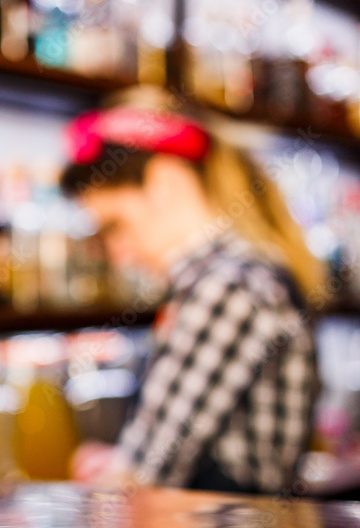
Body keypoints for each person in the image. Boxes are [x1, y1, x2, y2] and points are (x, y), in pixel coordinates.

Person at [61, 89, 323, 495]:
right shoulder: (237, 277)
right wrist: (116, 462)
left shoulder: (227, 288)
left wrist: (116, 471)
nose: (115, 254)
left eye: (115, 226)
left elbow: (144, 479)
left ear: (165, 183)